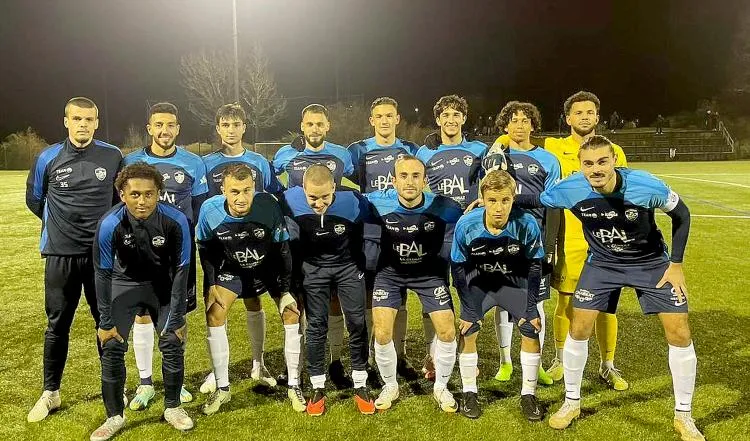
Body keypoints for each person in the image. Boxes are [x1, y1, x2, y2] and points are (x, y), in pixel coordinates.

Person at [518, 135, 703, 441]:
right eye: (588, 163)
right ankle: (571, 403)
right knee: (579, 326)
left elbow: (681, 214)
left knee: (679, 332)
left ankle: (684, 415)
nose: (596, 169)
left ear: (615, 161)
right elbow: (537, 200)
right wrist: (495, 199)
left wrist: (676, 264)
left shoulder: (646, 185)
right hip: (603, 264)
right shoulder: (570, 188)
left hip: (650, 263)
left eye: (603, 161)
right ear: (580, 166)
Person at [493, 91, 629, 390]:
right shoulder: (555, 147)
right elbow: (513, 136)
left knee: (606, 306)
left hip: (605, 240)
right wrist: (498, 142)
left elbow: (623, 193)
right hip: (570, 239)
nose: (584, 117)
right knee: (565, 302)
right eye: (578, 112)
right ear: (567, 118)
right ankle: (558, 360)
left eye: (590, 112)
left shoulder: (614, 150)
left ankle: (607, 365)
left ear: (598, 116)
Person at [26, 97, 123, 423]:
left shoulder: (112, 155)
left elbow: (118, 201)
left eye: (89, 119)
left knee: (106, 323)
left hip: (101, 256)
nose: (83, 124)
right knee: (57, 325)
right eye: (77, 118)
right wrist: (61, 228)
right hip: (60, 255)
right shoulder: (47, 157)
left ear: (97, 122)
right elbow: (35, 199)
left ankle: (114, 389)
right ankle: (50, 392)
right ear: (66, 121)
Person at [90, 163, 193, 440]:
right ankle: (114, 416)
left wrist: (178, 317)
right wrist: (105, 321)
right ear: (122, 194)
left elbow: (182, 270)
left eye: (149, 194)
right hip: (124, 285)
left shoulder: (176, 220)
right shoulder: (109, 223)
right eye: (135, 194)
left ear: (159, 193)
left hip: (163, 286)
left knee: (172, 340)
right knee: (111, 344)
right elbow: (102, 273)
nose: (142, 201)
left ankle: (173, 407)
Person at [195, 163, 300, 415]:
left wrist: (285, 290)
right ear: (223, 190)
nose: (241, 198)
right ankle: (222, 387)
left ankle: (294, 385)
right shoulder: (209, 210)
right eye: (234, 191)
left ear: (254, 188)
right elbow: (206, 249)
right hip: (233, 269)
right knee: (215, 313)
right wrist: (211, 284)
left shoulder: (268, 204)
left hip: (268, 268)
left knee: (292, 312)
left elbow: (283, 250)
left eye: (247, 190)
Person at [123, 102, 207, 408]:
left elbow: (199, 207)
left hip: (178, 255)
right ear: (149, 128)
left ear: (178, 128)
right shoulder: (131, 162)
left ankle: (176, 380)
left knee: (176, 315)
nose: (164, 130)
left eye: (170, 125)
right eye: (158, 125)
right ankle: (145, 383)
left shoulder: (193, 163)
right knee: (142, 314)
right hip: (141, 252)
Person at [367, 155, 463, 413]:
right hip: (389, 273)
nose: (409, 182)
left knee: (447, 331)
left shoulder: (445, 206)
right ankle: (390, 385)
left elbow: (467, 219)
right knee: (382, 331)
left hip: (428, 275)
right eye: (403, 176)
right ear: (393, 181)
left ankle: (441, 387)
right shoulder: (375, 202)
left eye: (415, 176)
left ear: (425, 180)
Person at [199, 103, 283, 393]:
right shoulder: (207, 164)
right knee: (216, 306)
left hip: (254, 243)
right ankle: (217, 372)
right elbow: (204, 203)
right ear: (218, 128)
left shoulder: (259, 162)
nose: (231, 130)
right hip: (222, 243)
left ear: (244, 127)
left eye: (236, 125)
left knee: (254, 300)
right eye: (225, 125)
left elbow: (270, 199)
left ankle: (259, 363)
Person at [272, 103, 355, 389]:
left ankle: (335, 361)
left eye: (320, 123)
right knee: (298, 304)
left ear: (327, 126)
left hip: (332, 239)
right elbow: (274, 186)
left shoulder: (342, 155)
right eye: (310, 124)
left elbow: (354, 188)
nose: (315, 129)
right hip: (298, 242)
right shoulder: (286, 155)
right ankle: (293, 365)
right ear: (302, 126)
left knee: (333, 304)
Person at [452, 169, 545, 421]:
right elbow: (457, 268)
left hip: (512, 283)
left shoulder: (526, 223)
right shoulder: (467, 224)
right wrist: (468, 309)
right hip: (478, 283)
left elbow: (535, 266)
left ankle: (528, 394)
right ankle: (469, 391)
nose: (499, 207)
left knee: (530, 327)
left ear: (514, 198)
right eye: (492, 200)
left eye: (505, 200)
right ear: (482, 199)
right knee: (468, 328)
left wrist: (531, 307)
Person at [283, 164, 374, 415]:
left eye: (325, 196)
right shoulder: (289, 200)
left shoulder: (353, 200)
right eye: (312, 197)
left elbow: (372, 229)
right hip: (313, 270)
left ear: (334, 186)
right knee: (315, 327)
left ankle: (360, 382)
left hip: (347, 268)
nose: (319, 203)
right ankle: (317, 386)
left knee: (356, 322)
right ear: (302, 189)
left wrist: (366, 263)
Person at [484, 101, 561, 386]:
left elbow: (554, 203)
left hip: (534, 240)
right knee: (503, 301)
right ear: (505, 125)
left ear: (533, 125)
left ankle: (535, 362)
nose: (519, 125)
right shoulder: (495, 156)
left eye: (525, 120)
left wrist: (550, 244)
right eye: (513, 120)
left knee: (535, 302)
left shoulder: (548, 159)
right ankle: (505, 362)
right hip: (501, 238)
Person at [416, 94, 488, 380]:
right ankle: (432, 354)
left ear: (464, 119)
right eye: (445, 115)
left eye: (456, 114)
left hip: (469, 233)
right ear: (438, 120)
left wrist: (483, 199)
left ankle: (469, 353)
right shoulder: (425, 152)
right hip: (435, 233)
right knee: (433, 294)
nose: (451, 120)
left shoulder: (479, 150)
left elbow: (495, 178)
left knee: (471, 292)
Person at [348, 97, 420, 382]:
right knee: (370, 295)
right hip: (369, 233)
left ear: (397, 119)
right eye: (379, 116)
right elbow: (334, 169)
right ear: (372, 120)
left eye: (389, 115)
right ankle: (368, 355)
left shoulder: (410, 149)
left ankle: (400, 354)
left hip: (400, 232)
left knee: (400, 295)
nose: (385, 121)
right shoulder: (358, 150)